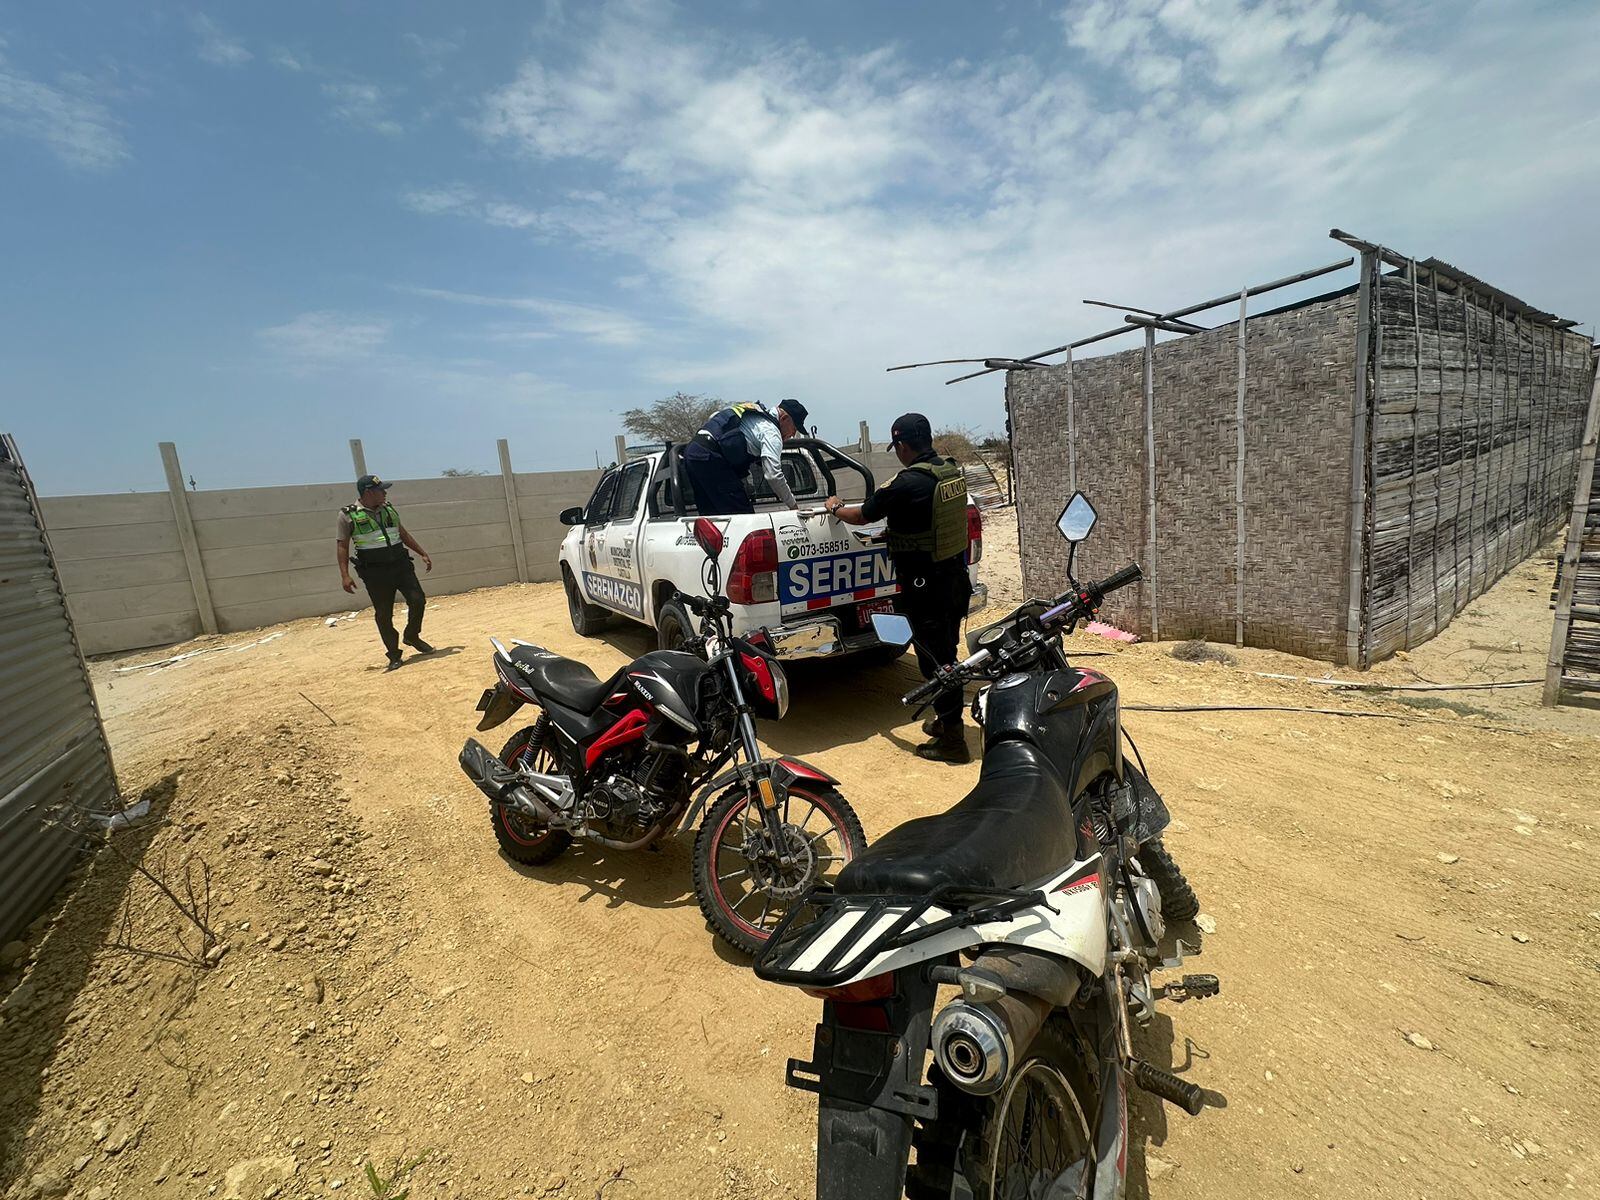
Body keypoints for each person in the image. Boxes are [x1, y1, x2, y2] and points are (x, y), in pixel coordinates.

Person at [824, 413, 972, 763]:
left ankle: (953, 741)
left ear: (903, 445)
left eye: (898, 448)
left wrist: (836, 507)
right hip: (954, 578)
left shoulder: (907, 483)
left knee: (936, 662)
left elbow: (863, 515)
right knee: (947, 651)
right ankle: (944, 721)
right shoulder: (949, 471)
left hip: (926, 586)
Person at [336, 474, 435, 671]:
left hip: (400, 565)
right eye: (381, 489)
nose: (385, 492)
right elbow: (342, 546)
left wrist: (421, 552)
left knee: (418, 600)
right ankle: (394, 654)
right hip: (375, 572)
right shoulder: (348, 515)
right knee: (383, 614)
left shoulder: (388, 509)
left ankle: (412, 635)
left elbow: (403, 534)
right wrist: (345, 575)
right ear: (368, 492)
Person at [681, 398, 808, 516]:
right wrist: (793, 507)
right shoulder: (771, 433)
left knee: (711, 519)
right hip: (711, 458)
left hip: (693, 452)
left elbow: (715, 420)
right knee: (743, 518)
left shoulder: (753, 413)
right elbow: (773, 475)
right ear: (785, 418)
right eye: (794, 428)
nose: (792, 434)